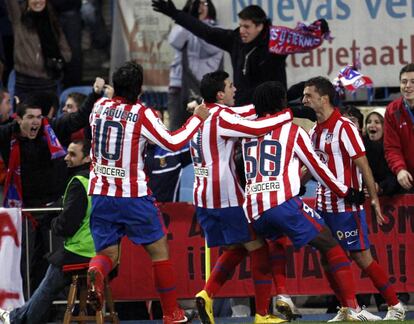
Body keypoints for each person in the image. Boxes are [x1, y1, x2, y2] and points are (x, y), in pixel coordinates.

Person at [242, 80, 384, 322]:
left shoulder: (248, 133)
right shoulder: (292, 131)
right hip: (281, 201)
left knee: (274, 244)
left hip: (253, 208)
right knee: (331, 245)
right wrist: (347, 192)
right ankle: (352, 307)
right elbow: (318, 169)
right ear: (280, 103)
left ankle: (279, 298)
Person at [86, 61, 209, 324]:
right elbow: (173, 142)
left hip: (100, 193)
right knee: (159, 251)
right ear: (139, 89)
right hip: (132, 195)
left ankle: (96, 271)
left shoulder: (98, 108)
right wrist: (196, 118)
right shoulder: (143, 113)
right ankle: (171, 313)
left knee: (108, 255)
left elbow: (109, 107)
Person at [191, 71, 305, 324]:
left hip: (203, 199)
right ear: (220, 94)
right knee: (260, 248)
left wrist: (288, 95)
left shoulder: (201, 116)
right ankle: (262, 314)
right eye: (230, 86)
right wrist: (286, 114)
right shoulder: (221, 117)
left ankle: (206, 294)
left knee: (235, 248)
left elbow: (250, 110)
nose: (235, 89)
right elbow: (257, 126)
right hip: (227, 198)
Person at [302, 76, 405, 321]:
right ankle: (348, 308)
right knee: (327, 259)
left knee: (362, 257)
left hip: (346, 206)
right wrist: (294, 185)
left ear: (323, 99)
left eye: (309, 96)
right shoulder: (313, 131)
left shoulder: (344, 127)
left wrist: (375, 201)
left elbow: (363, 165)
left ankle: (395, 305)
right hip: (322, 205)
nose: (304, 100)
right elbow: (312, 168)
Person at [0, 77, 104, 297]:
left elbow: (78, 118)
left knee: (52, 266)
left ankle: (51, 312)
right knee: (23, 264)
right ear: (18, 119)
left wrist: (95, 94)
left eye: (39, 117)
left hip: (54, 209)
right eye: (30, 117)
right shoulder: (6, 134)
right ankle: (25, 307)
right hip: (23, 211)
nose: (36, 122)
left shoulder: (53, 129)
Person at [152, 1, 326, 106]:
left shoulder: (277, 43)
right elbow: (206, 32)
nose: (242, 30)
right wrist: (175, 13)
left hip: (272, 111)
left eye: (247, 26)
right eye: (241, 25)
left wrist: (319, 30)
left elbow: (304, 39)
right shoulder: (234, 39)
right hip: (242, 109)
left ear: (260, 26)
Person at [0, 139, 94, 324]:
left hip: (82, 251)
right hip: (104, 251)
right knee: (48, 283)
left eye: (73, 154)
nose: (66, 157)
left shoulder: (79, 182)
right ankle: (16, 316)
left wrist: (54, 223)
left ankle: (17, 320)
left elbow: (67, 225)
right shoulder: (102, 180)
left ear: (87, 158)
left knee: (48, 286)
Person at [167, 0, 223, 130]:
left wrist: (196, 25)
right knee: (176, 129)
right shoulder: (181, 26)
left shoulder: (216, 28)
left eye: (204, 3)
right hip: (179, 87)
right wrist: (188, 21)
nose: (200, 7)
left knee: (204, 131)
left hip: (205, 90)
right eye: (196, 3)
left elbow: (212, 48)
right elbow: (175, 42)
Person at [5, 0, 71, 99]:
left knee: (48, 114)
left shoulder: (52, 22)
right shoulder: (19, 19)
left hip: (48, 82)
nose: (37, 1)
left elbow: (66, 52)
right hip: (24, 82)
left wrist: (58, 62)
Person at [384, 63, 414, 192]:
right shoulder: (393, 110)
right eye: (404, 82)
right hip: (407, 177)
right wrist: (400, 169)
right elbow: (391, 147)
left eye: (413, 81)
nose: (408, 86)